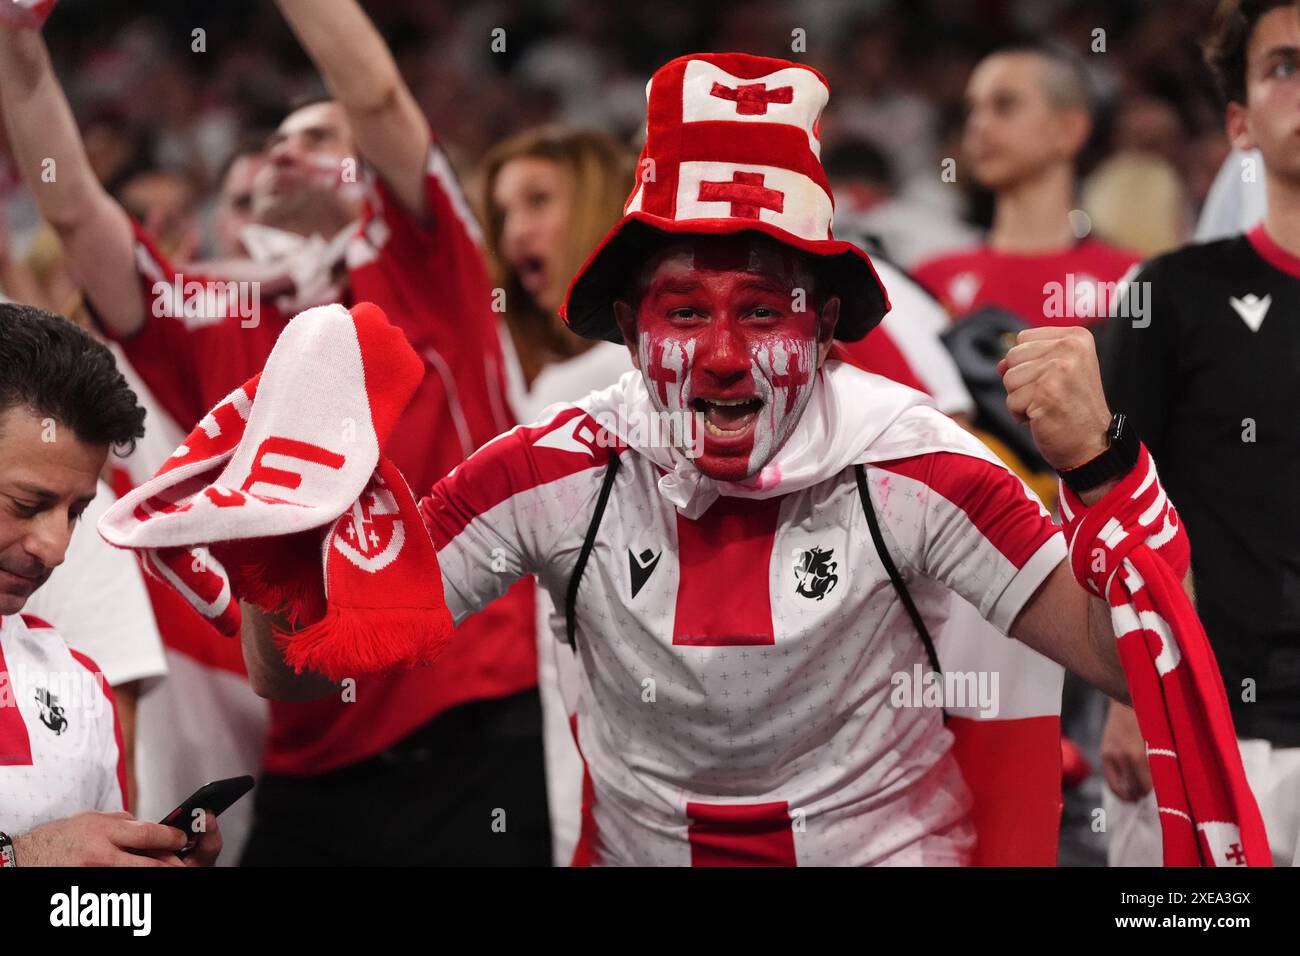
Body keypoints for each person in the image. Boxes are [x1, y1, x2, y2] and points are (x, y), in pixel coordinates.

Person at [239, 53, 1227, 867]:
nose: (720, 356)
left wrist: (1101, 465)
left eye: (761, 309)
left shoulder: (920, 462)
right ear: (627, 328)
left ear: (828, 326)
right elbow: (300, 677)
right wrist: (275, 531)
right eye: (683, 310)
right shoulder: (548, 468)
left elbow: (1130, 661)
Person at [0, 0, 543, 865]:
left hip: (472, 736)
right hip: (305, 751)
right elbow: (73, 214)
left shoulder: (425, 266)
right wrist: (16, 41)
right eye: (276, 138)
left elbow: (376, 95)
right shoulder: (216, 313)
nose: (288, 147)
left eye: (323, 137)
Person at [1101, 0, 1300, 866]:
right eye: (1285, 66)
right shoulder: (1168, 296)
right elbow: (1109, 505)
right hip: (1209, 728)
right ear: (1239, 121)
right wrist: (1124, 693)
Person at [0, 302, 219, 867]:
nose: (57, 547)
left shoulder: (79, 684)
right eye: (27, 504)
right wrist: (20, 859)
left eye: (76, 512)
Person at [914, 41, 1138, 328]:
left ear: (1070, 130)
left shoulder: (1130, 280)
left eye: (1005, 105)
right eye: (971, 109)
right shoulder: (931, 280)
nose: (978, 124)